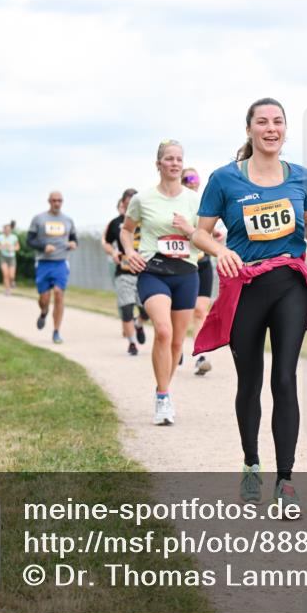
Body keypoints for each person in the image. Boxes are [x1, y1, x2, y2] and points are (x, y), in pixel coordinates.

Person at [192, 98, 307, 512]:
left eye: (278, 122)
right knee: (250, 381)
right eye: (262, 122)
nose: (271, 128)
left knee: (285, 378)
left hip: (290, 283)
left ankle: (286, 479)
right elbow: (201, 233)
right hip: (245, 287)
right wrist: (218, 250)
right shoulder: (225, 179)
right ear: (250, 130)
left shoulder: (301, 177)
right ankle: (251, 462)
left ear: (285, 130)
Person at [121, 141, 201, 423]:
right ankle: (163, 398)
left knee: (178, 343)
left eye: (179, 159)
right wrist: (130, 252)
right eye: (169, 159)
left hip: (186, 274)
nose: (175, 163)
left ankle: (163, 388)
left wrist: (189, 229)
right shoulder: (143, 199)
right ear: (159, 164)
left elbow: (203, 235)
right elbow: (127, 230)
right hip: (153, 270)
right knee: (164, 332)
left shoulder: (194, 200)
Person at [184, 166, 222, 376]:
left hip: (203, 263)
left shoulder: (202, 205)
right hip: (180, 265)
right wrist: (196, 233)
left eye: (195, 178)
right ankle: (175, 346)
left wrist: (212, 235)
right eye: (188, 178)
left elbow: (205, 229)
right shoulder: (176, 204)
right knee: (180, 315)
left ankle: (201, 355)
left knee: (200, 311)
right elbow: (182, 227)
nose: (192, 181)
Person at [103, 190, 149, 355]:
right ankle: (132, 343)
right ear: (123, 204)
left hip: (145, 272)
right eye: (128, 204)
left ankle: (139, 323)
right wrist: (113, 252)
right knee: (127, 308)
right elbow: (107, 242)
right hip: (124, 271)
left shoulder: (147, 220)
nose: (131, 207)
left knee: (147, 310)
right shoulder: (116, 223)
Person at [27, 191, 77, 344]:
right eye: (54, 200)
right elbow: (29, 241)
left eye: (60, 201)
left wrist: (73, 244)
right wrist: (43, 247)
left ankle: (56, 331)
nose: (57, 203)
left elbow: (74, 239)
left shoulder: (68, 220)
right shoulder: (39, 219)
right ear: (49, 201)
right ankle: (43, 312)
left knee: (59, 293)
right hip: (43, 263)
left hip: (60, 262)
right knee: (44, 298)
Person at [0, 224, 19, 294]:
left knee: (11, 275)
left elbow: (17, 247)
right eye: (6, 229)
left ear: (11, 230)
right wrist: (2, 247)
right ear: (4, 230)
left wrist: (12, 248)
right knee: (5, 274)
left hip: (12, 257)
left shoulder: (14, 237)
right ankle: (7, 290)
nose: (7, 231)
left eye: (9, 229)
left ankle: (12, 281)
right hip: (3, 257)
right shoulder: (0, 237)